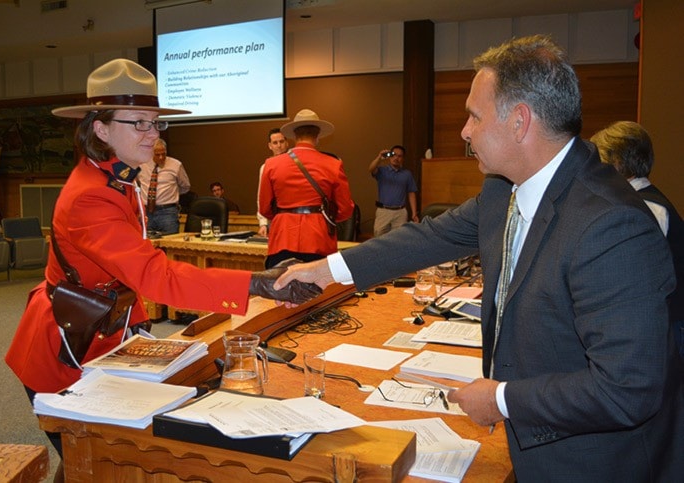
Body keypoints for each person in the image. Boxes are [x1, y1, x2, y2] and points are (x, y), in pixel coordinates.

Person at [274, 36, 683, 481]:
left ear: (519, 121)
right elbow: (428, 237)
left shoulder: (610, 225)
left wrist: (502, 399)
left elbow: (627, 389)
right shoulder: (503, 188)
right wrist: (324, 270)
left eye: (474, 115)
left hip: (592, 462)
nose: (465, 132)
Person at [4, 58, 320, 480]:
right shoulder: (91, 195)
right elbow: (157, 277)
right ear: (100, 128)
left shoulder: (115, 177)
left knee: (97, 458)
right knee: (91, 457)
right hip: (67, 344)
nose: (152, 135)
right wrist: (259, 283)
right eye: (140, 124)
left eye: (156, 124)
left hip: (104, 330)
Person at [590, 120, 683, 357]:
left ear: (618, 164)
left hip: (666, 331)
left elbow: (632, 279)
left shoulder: (647, 208)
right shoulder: (640, 202)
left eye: (600, 163)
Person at [258, 109, 354, 269]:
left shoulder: (271, 164)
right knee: (319, 293)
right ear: (317, 136)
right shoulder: (333, 164)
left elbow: (265, 208)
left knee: (281, 290)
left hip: (282, 238)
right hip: (318, 238)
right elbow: (345, 210)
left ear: (294, 136)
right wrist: (322, 216)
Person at [136, 138, 190, 234]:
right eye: (157, 154)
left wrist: (172, 193)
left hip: (168, 212)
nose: (161, 157)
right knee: (147, 244)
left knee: (170, 244)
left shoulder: (176, 165)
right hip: (147, 212)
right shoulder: (141, 164)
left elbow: (185, 186)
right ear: (151, 152)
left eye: (163, 154)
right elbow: (136, 185)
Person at [369, 144, 419, 236]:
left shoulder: (407, 174)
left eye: (399, 156)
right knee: (379, 239)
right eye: (394, 155)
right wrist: (379, 158)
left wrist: (414, 213)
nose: (396, 158)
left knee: (399, 239)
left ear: (403, 159)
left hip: (400, 212)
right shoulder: (382, 171)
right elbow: (371, 169)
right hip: (383, 211)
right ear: (390, 156)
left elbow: (411, 193)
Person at [257, 128, 289, 237]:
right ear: (270, 146)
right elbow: (261, 198)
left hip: (292, 217)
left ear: (287, 143)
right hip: (273, 219)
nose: (279, 145)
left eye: (281, 142)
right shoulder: (265, 167)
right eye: (275, 143)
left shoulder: (295, 163)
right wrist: (263, 223)